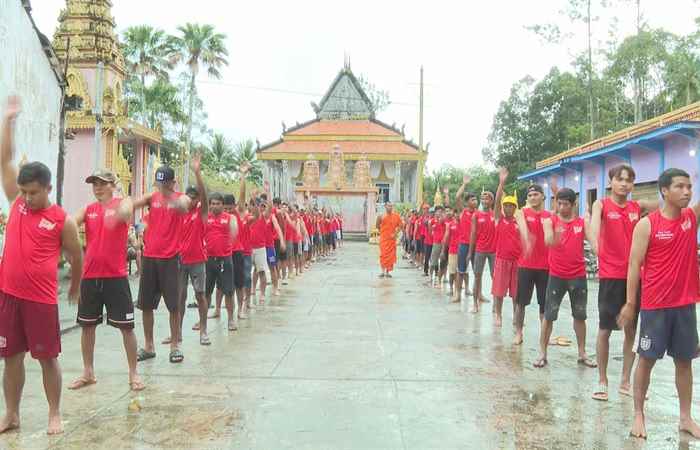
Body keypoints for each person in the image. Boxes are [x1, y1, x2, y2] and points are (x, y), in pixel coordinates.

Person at [0, 97, 82, 435]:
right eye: (23, 191)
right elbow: (4, 158)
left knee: (48, 358)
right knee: (11, 358)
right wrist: (8, 120)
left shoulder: (62, 221)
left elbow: (77, 257)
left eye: (33, 192)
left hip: (41, 300)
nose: (27, 197)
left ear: (47, 189)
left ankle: (53, 414)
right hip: (8, 296)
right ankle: (12, 414)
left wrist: (76, 286)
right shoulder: (17, 203)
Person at [619, 168, 700, 439]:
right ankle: (639, 414)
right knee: (646, 360)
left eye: (689, 186)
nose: (687, 191)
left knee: (685, 363)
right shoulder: (647, 224)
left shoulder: (691, 218)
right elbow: (633, 265)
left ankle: (686, 417)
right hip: (655, 308)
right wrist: (631, 304)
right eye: (679, 186)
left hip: (685, 306)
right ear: (664, 190)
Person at [70, 168, 145, 392]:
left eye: (102, 183)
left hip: (116, 277)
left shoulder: (121, 206)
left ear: (112, 185)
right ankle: (88, 372)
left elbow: (127, 209)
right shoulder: (89, 209)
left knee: (127, 328)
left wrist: (123, 199)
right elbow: (70, 223)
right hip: (90, 277)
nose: (98, 187)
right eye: (95, 184)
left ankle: (133, 373)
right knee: (87, 327)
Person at [589, 164, 657, 401]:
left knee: (631, 330)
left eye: (629, 180)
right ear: (611, 182)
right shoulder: (602, 205)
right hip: (610, 276)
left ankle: (626, 381)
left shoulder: (636, 207)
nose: (625, 184)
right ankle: (602, 380)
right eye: (620, 179)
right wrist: (596, 243)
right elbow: (593, 225)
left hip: (635, 277)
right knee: (605, 330)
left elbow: (665, 204)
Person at [133, 164, 191, 364]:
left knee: (173, 306)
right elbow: (135, 207)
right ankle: (149, 346)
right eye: (159, 184)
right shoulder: (152, 200)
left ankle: (175, 346)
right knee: (146, 305)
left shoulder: (179, 198)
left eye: (165, 184)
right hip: (150, 258)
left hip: (170, 259)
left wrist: (174, 200)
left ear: (173, 183)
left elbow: (185, 204)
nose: (162, 188)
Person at [534, 188, 596, 369]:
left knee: (580, 316)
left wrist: (600, 250)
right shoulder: (549, 221)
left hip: (578, 276)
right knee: (549, 315)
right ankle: (542, 353)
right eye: (558, 203)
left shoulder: (581, 223)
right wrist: (554, 236)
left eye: (565, 204)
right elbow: (547, 240)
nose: (561, 207)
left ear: (573, 204)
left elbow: (593, 241)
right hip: (556, 276)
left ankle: (582, 353)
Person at [512, 183, 551, 345]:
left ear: (543, 196)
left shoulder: (549, 215)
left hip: (546, 267)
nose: (533, 197)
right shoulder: (522, 212)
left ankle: (544, 337)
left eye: (536, 194)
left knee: (544, 305)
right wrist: (526, 237)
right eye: (530, 195)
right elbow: (521, 225)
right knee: (521, 303)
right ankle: (519, 332)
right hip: (526, 265)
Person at [176, 156, 209, 344]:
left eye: (194, 197)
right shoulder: (180, 213)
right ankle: (177, 332)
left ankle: (203, 331)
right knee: (180, 296)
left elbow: (204, 195)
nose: (192, 200)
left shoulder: (200, 212)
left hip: (197, 260)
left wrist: (197, 172)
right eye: (189, 197)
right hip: (180, 260)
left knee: (200, 295)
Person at [204, 192, 239, 332]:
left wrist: (226, 248)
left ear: (222, 205)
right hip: (209, 259)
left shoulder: (230, 218)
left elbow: (234, 234)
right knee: (206, 293)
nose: (215, 206)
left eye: (218, 203)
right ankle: (202, 321)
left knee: (229, 292)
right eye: (212, 203)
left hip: (225, 259)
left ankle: (231, 319)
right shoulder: (206, 217)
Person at [491, 168, 520, 327]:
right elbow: (496, 202)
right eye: (506, 205)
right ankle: (498, 315)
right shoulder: (499, 219)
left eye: (511, 205)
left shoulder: (519, 221)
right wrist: (501, 183)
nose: (508, 208)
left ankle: (517, 317)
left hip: (517, 261)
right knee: (499, 292)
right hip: (502, 260)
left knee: (516, 293)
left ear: (515, 208)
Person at [468, 190, 496, 312]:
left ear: (492, 201)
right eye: (482, 199)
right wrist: (470, 252)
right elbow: (473, 234)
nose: (484, 201)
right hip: (480, 249)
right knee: (477, 277)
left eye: (487, 198)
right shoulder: (476, 215)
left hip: (493, 251)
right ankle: (475, 304)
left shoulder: (495, 214)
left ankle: (496, 305)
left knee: (494, 277)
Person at [454, 175, 476, 302]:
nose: (475, 201)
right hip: (463, 244)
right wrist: (464, 184)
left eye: (475, 199)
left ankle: (478, 295)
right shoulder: (463, 211)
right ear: (467, 202)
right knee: (461, 270)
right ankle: (457, 294)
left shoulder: (478, 213)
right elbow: (457, 197)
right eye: (472, 200)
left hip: (476, 246)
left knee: (477, 273)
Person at [377, 202, 403, 277]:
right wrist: (382, 232)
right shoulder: (381, 216)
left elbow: (401, 226)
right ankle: (382, 271)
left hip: (391, 239)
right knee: (383, 255)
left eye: (391, 206)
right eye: (388, 206)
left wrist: (395, 233)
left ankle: (388, 272)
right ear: (385, 206)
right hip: (384, 239)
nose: (390, 207)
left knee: (390, 256)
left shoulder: (396, 216)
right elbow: (377, 225)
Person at [429, 206, 446, 287]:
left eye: (441, 211)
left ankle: (439, 278)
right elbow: (430, 231)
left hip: (443, 243)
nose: (439, 213)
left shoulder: (443, 220)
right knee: (433, 262)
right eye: (437, 211)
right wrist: (432, 233)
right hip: (436, 243)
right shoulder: (432, 221)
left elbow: (443, 220)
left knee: (442, 262)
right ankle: (430, 277)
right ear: (435, 212)